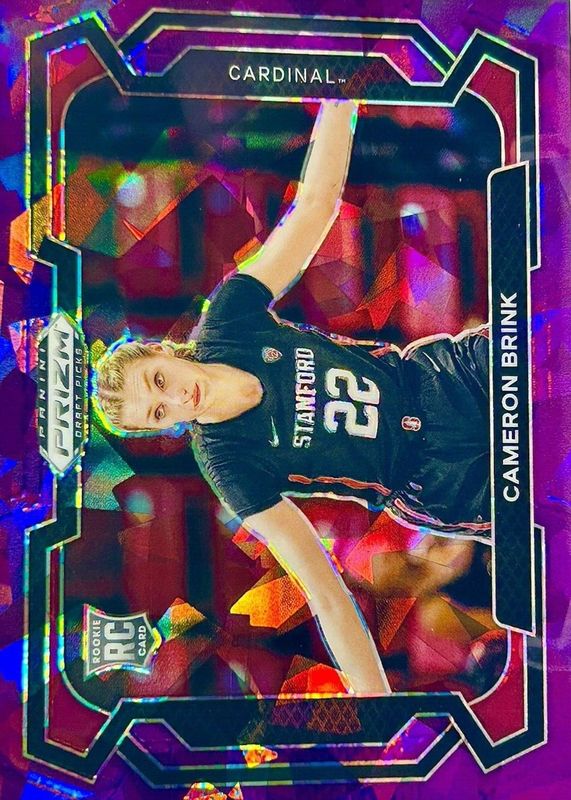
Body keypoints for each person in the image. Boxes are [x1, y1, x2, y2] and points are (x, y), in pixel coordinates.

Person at [95, 100, 491, 696]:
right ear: (165, 428)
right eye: (159, 412)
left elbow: (314, 205)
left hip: (444, 378)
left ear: (166, 353)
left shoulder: (229, 316)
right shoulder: (230, 466)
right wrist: (374, 706)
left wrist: (339, 99)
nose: (174, 397)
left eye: (157, 380)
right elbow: (324, 589)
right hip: (434, 479)